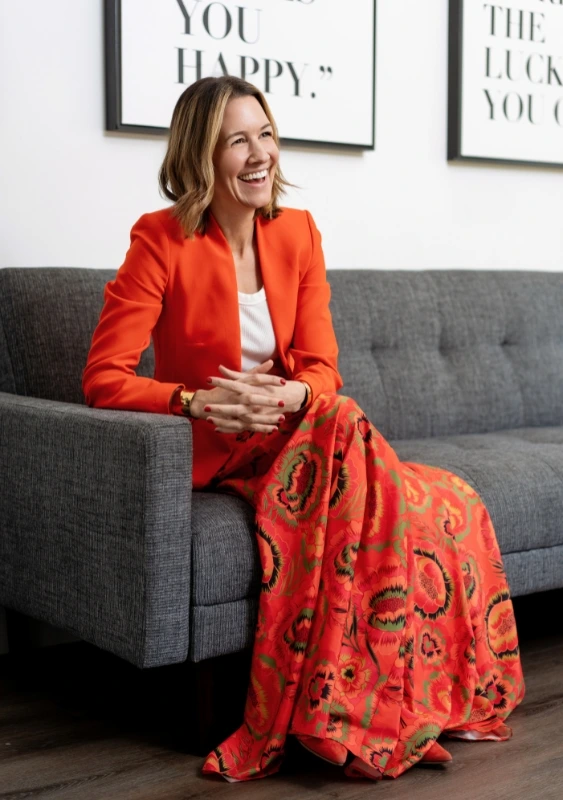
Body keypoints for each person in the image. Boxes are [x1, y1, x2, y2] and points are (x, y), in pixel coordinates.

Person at [82, 75, 525, 782]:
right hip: (223, 451)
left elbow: (322, 369)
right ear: (201, 154)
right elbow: (104, 377)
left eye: (265, 133)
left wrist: (288, 395)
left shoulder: (297, 232)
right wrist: (198, 402)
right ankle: (348, 708)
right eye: (237, 140)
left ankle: (370, 701)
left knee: (448, 497)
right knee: (365, 446)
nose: (259, 154)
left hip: (301, 434)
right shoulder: (159, 241)